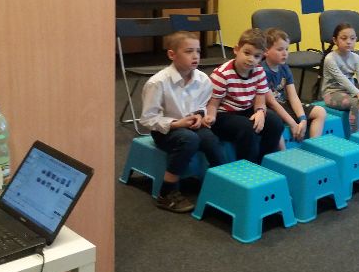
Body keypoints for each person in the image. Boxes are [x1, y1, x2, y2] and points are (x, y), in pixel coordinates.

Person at [139, 31, 226, 213]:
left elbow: (202, 105)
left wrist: (200, 116)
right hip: (165, 131)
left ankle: (221, 183)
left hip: (190, 125)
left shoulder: (203, 79)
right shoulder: (158, 83)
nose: (195, 56)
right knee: (189, 139)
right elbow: (148, 119)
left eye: (198, 51)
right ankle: (166, 193)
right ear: (172, 54)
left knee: (210, 139)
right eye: (188, 51)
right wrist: (176, 123)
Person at [205, 28, 282, 163]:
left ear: (262, 57)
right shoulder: (222, 74)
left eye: (257, 56)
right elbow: (213, 104)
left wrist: (260, 112)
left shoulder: (259, 71)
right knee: (247, 128)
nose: (251, 59)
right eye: (247, 53)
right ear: (236, 50)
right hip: (223, 115)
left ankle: (264, 161)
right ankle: (248, 166)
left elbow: (260, 101)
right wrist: (210, 118)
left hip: (245, 110)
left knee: (275, 123)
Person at [261, 28, 327, 147]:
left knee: (320, 112)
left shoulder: (284, 68)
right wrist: (292, 123)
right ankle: (282, 155)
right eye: (280, 49)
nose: (285, 53)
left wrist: (302, 119)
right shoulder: (262, 72)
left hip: (283, 104)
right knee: (275, 124)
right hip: (270, 110)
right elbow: (272, 103)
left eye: (286, 49)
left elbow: (293, 96)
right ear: (266, 51)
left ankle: (313, 148)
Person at [319, 23, 359, 133]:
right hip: (332, 94)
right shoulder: (330, 59)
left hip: (349, 92)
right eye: (344, 38)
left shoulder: (356, 58)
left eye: (352, 38)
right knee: (357, 103)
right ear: (335, 40)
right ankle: (355, 134)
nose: (348, 42)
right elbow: (342, 80)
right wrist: (358, 94)